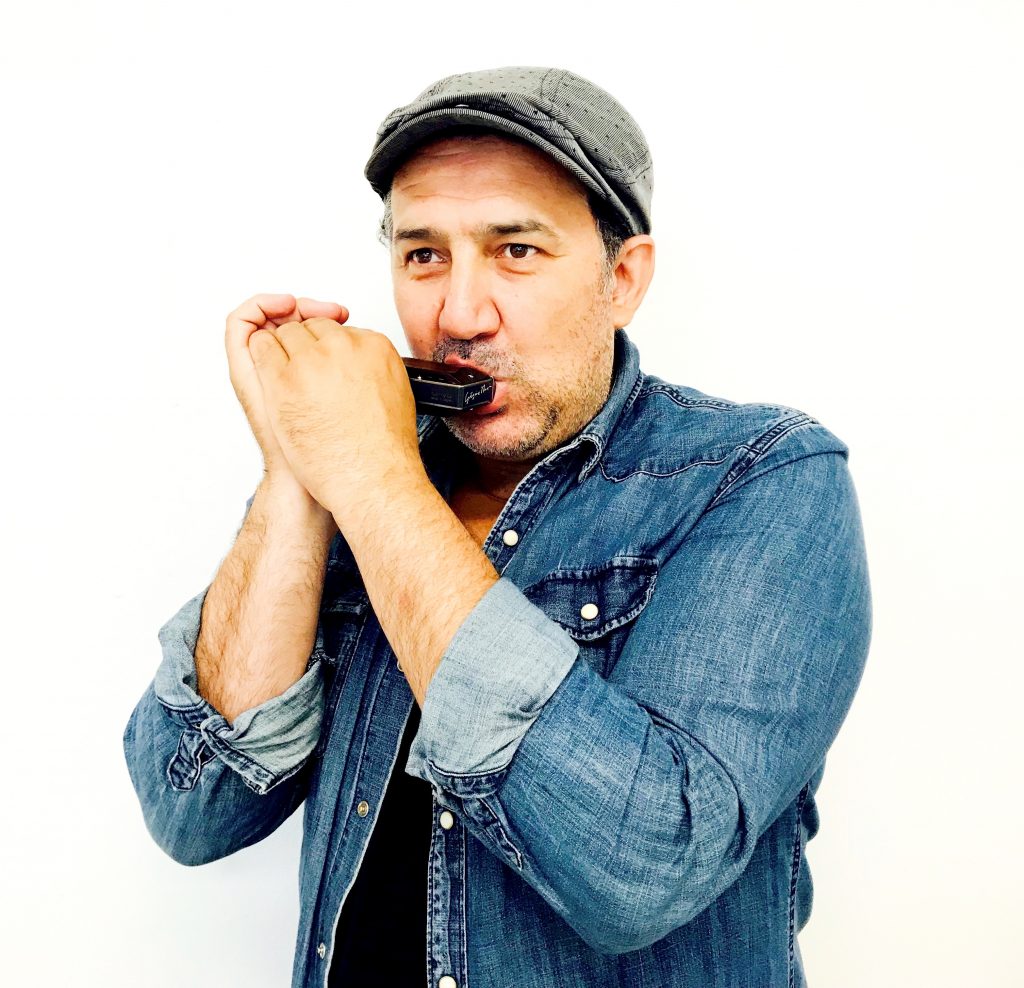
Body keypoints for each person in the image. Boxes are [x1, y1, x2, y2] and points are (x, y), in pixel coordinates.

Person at [123, 65, 872, 988]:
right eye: (423, 255)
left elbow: (642, 869)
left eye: (516, 250)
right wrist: (295, 471)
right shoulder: (359, 470)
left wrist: (369, 478)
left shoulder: (759, 477)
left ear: (623, 278)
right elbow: (192, 808)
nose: (459, 315)